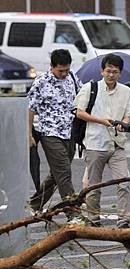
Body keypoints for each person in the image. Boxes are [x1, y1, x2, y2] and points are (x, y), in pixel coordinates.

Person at [74, 53, 130, 228]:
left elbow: (129, 115)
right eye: (108, 71)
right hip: (95, 143)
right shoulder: (90, 88)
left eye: (115, 72)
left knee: (123, 183)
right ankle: (93, 218)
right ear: (102, 71)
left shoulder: (126, 91)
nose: (111, 75)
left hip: (117, 144)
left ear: (120, 73)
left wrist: (123, 124)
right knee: (94, 186)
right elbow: (79, 112)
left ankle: (124, 220)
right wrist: (100, 120)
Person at [28, 49, 82, 220]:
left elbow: (83, 98)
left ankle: (34, 204)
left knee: (57, 173)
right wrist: (28, 134)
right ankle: (72, 212)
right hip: (49, 132)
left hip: (70, 132)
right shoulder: (41, 82)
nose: (64, 74)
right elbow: (30, 108)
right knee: (64, 172)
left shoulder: (72, 78)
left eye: (67, 70)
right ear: (51, 66)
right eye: (61, 71)